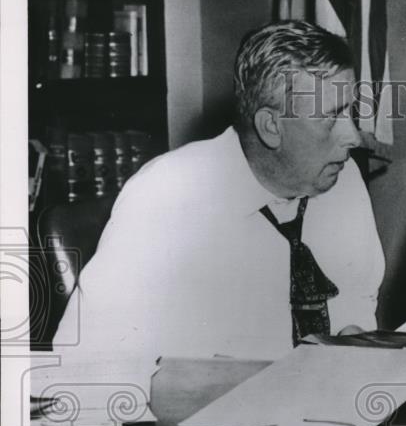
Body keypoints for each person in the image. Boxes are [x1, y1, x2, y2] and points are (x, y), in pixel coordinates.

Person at [54, 20, 384, 367]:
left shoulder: (342, 181)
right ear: (271, 127)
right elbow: (83, 367)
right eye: (332, 117)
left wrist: (353, 335)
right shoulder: (166, 196)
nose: (354, 137)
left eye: (351, 111)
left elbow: (359, 296)